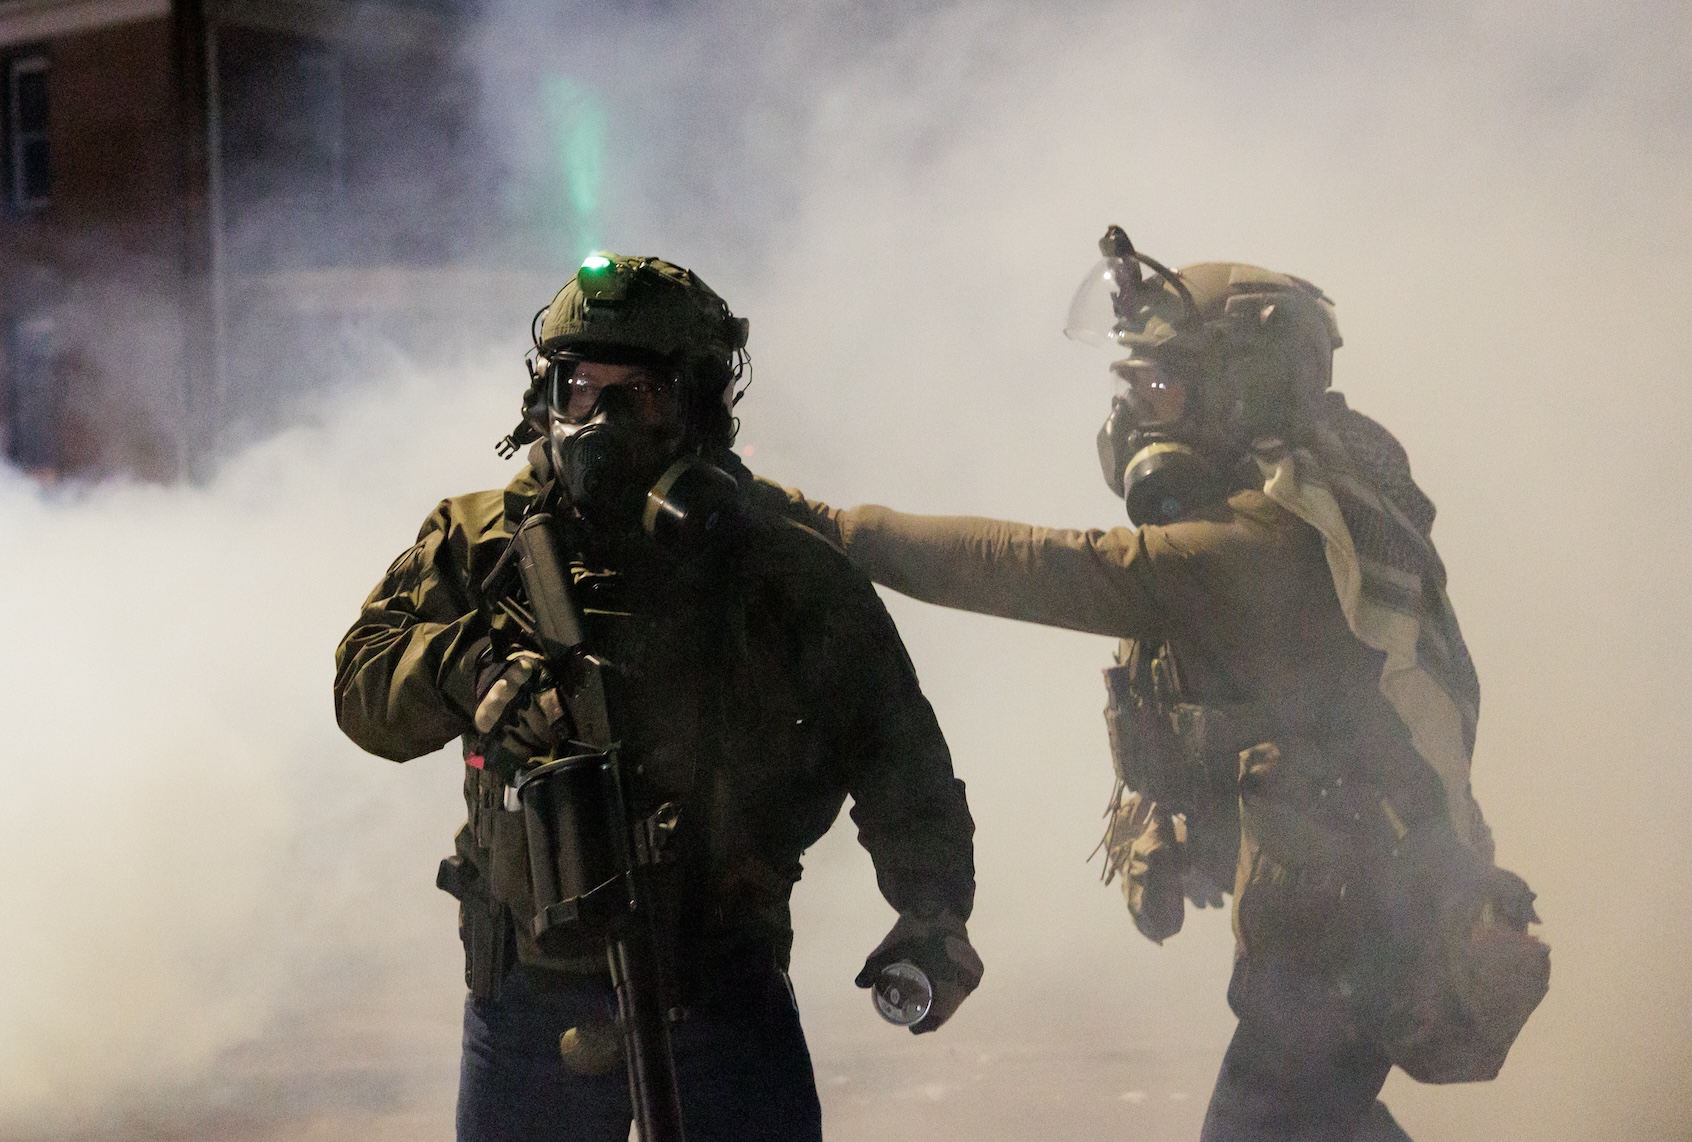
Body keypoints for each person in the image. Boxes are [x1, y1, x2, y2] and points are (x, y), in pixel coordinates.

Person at [766, 228, 1547, 1141]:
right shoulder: (1301, 505)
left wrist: (827, 526)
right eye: (1131, 388)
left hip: (1368, 933)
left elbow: (1045, 569)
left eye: (1164, 387)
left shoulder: (1272, 542)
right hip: (1334, 921)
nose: (1137, 418)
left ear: (1245, 392)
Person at [333, 253, 983, 1142]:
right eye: (577, 391)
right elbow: (361, 685)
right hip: (533, 1005)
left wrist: (931, 911)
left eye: (633, 397)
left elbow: (897, 751)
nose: (596, 424)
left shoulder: (780, 566)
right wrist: (462, 670)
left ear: (699, 408)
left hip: (720, 990)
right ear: (542, 399)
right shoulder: (480, 543)